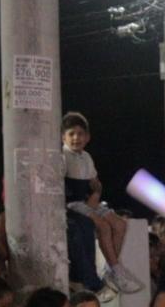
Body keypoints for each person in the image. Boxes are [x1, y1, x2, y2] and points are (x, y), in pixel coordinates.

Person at [60, 112, 141, 294]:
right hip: (72, 204)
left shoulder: (87, 157)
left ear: (87, 137)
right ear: (63, 137)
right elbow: (68, 191)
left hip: (89, 201)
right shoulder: (62, 157)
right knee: (103, 226)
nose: (76, 138)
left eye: (80, 134)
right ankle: (115, 269)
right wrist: (93, 197)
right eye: (71, 134)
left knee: (119, 224)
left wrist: (95, 195)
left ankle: (112, 269)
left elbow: (96, 185)